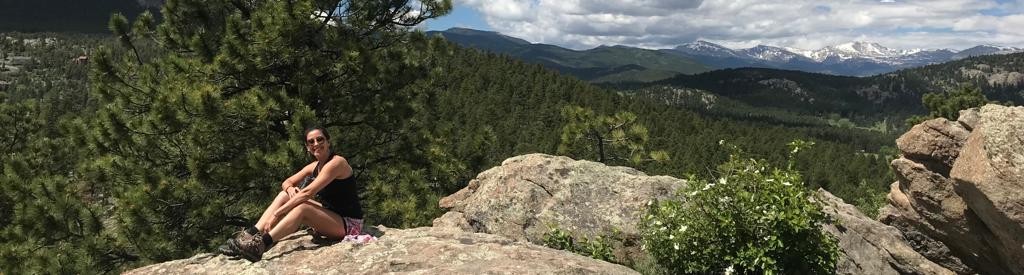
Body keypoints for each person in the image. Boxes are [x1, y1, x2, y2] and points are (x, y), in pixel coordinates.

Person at [220, 127, 364, 262]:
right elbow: (287, 182)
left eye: (320, 139)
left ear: (328, 142)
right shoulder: (314, 166)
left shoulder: (337, 163)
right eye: (311, 141)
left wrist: (278, 213)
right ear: (307, 147)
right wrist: (290, 189)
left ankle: (260, 245)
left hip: (348, 224)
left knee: (302, 208)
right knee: (284, 195)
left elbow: (308, 192)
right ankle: (251, 234)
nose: (316, 144)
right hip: (332, 215)